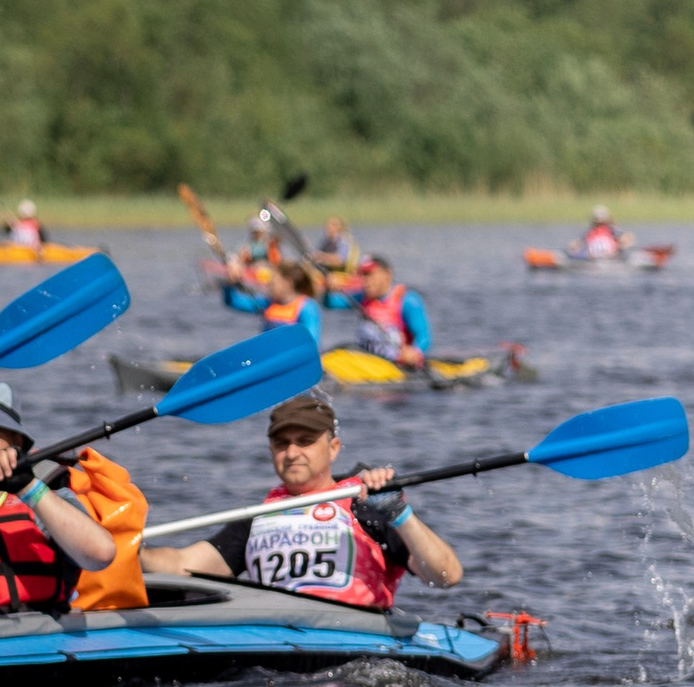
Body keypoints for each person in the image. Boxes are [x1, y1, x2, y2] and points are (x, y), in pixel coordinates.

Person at [141, 393, 461, 610]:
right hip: (280, 647)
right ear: (271, 450)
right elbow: (180, 566)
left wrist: (400, 514)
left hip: (355, 645)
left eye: (305, 442)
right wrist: (129, 546)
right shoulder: (260, 518)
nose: (292, 453)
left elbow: (446, 575)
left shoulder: (368, 508)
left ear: (333, 448)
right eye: (282, 443)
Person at [0, 373, 148, 621]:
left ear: (16, 443)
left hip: (22, 637)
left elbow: (100, 555)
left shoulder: (47, 499)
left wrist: (27, 486)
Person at [347, 255, 431, 369]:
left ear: (387, 275)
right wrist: (329, 286)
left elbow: (424, 336)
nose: (364, 281)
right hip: (367, 364)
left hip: (397, 366)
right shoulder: (361, 298)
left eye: (369, 275)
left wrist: (415, 352)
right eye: (362, 275)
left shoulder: (407, 300)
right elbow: (330, 302)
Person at [222, 255, 321, 344]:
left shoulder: (307, 307)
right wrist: (230, 283)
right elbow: (233, 301)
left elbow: (312, 343)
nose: (268, 284)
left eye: (272, 281)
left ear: (287, 283)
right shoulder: (266, 303)